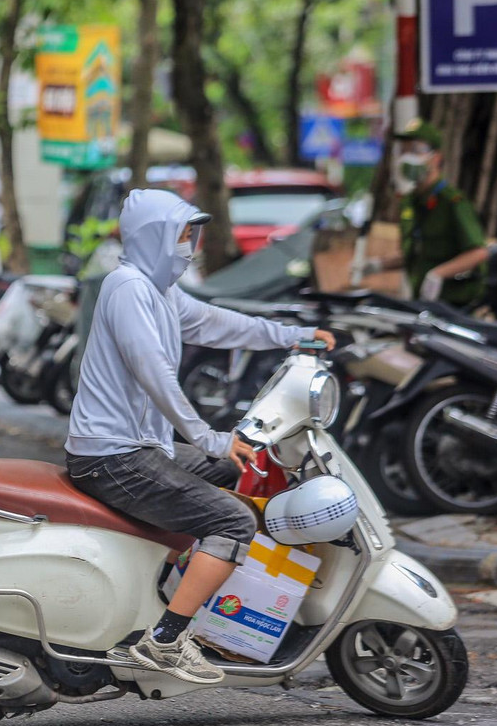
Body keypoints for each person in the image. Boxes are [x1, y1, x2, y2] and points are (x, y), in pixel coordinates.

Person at [65, 189, 335, 684]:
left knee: (242, 465)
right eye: (183, 234)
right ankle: (166, 640)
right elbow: (153, 373)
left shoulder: (161, 291)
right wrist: (208, 436)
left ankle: (173, 580)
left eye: (193, 234)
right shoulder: (127, 288)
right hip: (114, 458)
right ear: (155, 236)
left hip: (141, 450)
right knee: (232, 522)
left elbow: (216, 324)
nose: (191, 244)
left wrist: (291, 337)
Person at [365, 119, 489, 306]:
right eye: (404, 151)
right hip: (427, 303)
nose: (408, 157)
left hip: (458, 303)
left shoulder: (453, 202)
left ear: (436, 157)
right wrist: (379, 264)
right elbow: (417, 250)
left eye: (416, 150)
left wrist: (438, 274)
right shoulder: (412, 201)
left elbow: (478, 253)